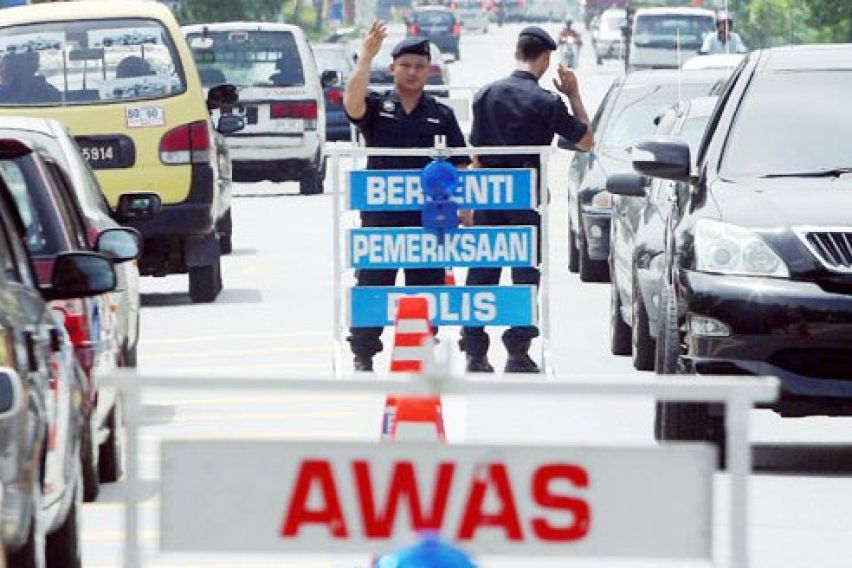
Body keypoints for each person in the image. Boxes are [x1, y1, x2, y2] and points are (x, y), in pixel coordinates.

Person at [459, 26, 593, 374]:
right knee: (524, 276)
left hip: (487, 197)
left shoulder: (485, 95)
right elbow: (585, 141)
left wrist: (471, 203)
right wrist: (574, 95)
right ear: (546, 58)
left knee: (481, 275)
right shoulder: (547, 102)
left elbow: (476, 154)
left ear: (518, 52)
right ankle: (518, 351)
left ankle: (474, 351)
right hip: (525, 201)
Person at [343, 23, 470, 372]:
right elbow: (351, 104)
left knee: (427, 285)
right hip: (381, 217)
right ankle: (364, 352)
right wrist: (366, 55)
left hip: (428, 219)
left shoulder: (441, 114)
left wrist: (468, 207)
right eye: (406, 65)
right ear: (393, 69)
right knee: (372, 282)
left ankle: (422, 351)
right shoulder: (377, 106)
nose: (413, 72)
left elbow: (463, 163)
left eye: (420, 66)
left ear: (429, 71)